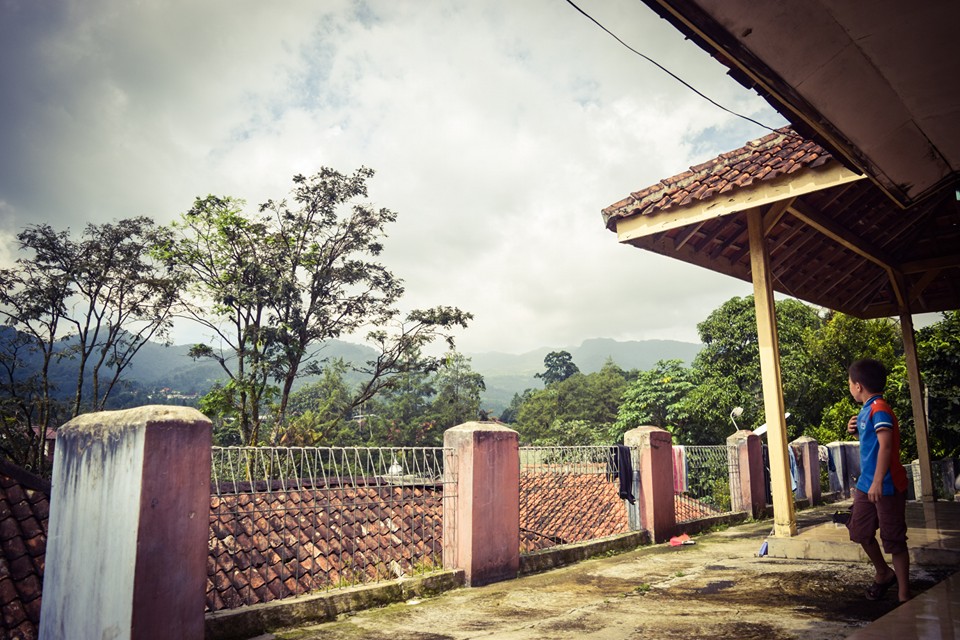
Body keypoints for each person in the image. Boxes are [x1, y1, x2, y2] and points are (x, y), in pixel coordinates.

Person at [845, 358, 910, 603]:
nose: (850, 387)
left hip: (887, 485)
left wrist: (878, 481)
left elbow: (885, 446)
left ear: (858, 385)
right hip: (866, 484)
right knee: (859, 531)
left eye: (850, 383)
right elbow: (872, 438)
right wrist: (856, 427)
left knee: (894, 539)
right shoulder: (867, 409)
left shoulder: (879, 408)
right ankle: (883, 573)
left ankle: (904, 594)